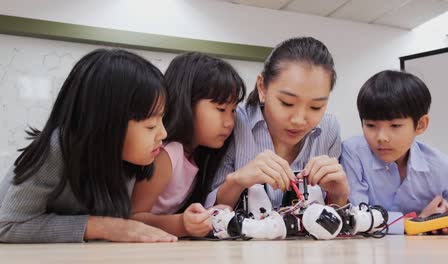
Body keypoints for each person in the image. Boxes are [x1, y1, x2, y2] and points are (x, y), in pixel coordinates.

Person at [0, 49, 177, 243]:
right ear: (105, 124)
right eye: (150, 125)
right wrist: (103, 226)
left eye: (162, 119)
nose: (163, 133)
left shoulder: (128, 159)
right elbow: (8, 226)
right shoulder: (57, 149)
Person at [209, 37, 350, 210]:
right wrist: (237, 181)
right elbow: (209, 213)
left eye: (316, 107)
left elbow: (333, 215)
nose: (299, 120)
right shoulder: (235, 121)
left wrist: (339, 195)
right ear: (262, 87)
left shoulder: (329, 129)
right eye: (287, 103)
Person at [131, 52, 245, 237]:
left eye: (233, 111)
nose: (230, 122)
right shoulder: (167, 153)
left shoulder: (196, 155)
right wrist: (182, 224)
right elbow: (132, 218)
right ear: (187, 101)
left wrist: (209, 214)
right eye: (221, 109)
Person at [341, 70, 448, 234]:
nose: (381, 137)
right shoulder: (353, 153)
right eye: (371, 125)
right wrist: (419, 222)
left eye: (395, 126)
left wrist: (447, 221)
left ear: (420, 125)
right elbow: (358, 217)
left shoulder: (443, 169)